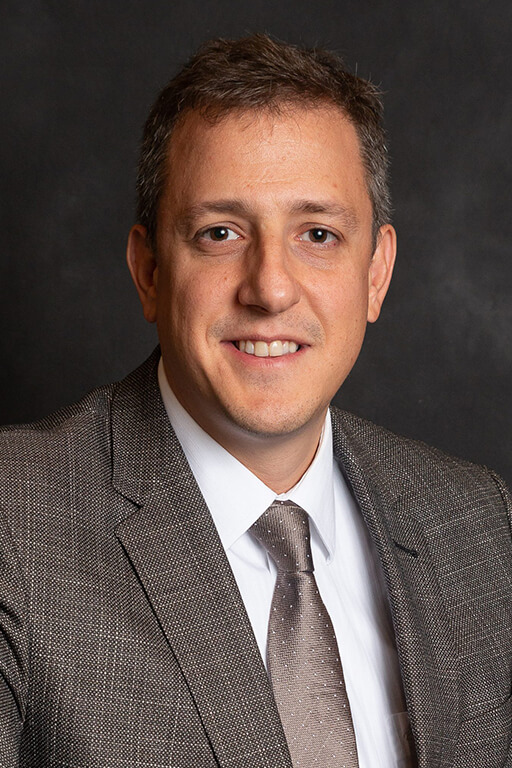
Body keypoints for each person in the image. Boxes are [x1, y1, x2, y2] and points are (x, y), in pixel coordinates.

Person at [0, 34, 511, 768]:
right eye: (220, 233)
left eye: (318, 234)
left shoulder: (480, 525)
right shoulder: (17, 525)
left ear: (375, 274)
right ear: (149, 272)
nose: (270, 288)